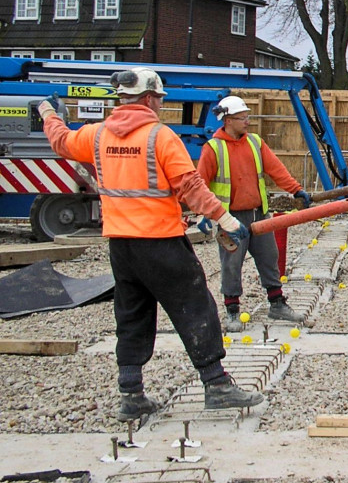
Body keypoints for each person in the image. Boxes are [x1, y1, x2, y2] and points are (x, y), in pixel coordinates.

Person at [38, 68, 264, 421]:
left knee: (132, 314)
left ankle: (131, 393)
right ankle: (217, 385)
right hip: (160, 240)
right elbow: (189, 186)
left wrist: (48, 114)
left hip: (122, 247)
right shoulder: (160, 137)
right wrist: (226, 219)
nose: (161, 104)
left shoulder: (97, 136)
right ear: (148, 99)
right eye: (159, 98)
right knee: (195, 306)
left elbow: (61, 141)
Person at [196, 95, 311, 333]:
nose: (247, 121)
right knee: (231, 264)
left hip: (258, 214)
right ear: (227, 120)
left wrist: (296, 190)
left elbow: (275, 168)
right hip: (229, 219)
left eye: (247, 116)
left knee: (269, 258)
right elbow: (200, 184)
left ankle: (277, 304)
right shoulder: (213, 149)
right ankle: (232, 312)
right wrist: (205, 213)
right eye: (242, 117)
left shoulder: (255, 143)